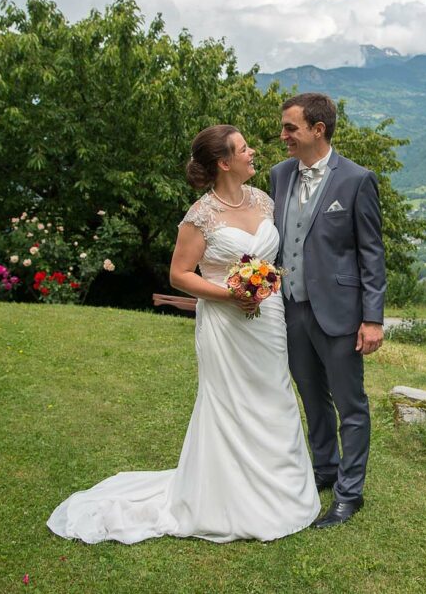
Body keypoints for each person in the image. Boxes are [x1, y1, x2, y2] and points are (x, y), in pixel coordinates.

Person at [47, 124, 320, 544]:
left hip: (267, 320)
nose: (252, 153)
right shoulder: (200, 215)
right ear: (224, 163)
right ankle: (226, 499)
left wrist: (267, 286)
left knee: (275, 394)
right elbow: (179, 275)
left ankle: (283, 493)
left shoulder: (264, 201)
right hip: (225, 324)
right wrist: (230, 295)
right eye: (243, 149)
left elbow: (273, 260)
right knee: (229, 402)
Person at [270, 93, 386, 529]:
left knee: (350, 405)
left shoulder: (357, 180)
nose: (283, 135)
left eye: (290, 128)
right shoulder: (279, 175)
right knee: (312, 397)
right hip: (291, 308)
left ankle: (349, 494)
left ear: (318, 130)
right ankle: (326, 469)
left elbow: (371, 253)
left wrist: (372, 319)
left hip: (340, 313)